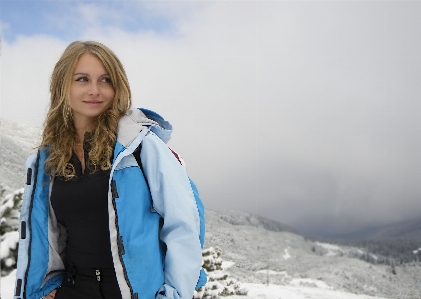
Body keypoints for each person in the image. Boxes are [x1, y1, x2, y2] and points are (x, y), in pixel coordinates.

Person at [14, 41, 203, 299]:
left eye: (105, 80)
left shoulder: (138, 147)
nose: (95, 90)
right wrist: (48, 287)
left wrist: (175, 294)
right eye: (82, 79)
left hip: (133, 293)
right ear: (62, 85)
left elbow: (183, 224)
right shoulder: (49, 158)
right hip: (71, 289)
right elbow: (48, 233)